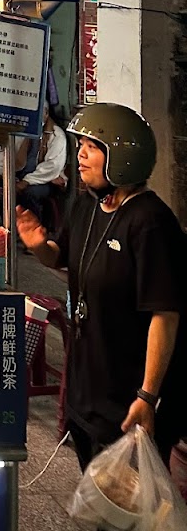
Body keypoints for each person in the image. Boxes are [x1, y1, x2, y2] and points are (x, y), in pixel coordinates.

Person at [16, 103, 187, 470]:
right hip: (87, 394)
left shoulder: (151, 223)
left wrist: (147, 396)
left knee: (129, 503)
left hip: (129, 402)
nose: (80, 155)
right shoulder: (86, 206)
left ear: (122, 156)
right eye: (80, 145)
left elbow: (165, 315)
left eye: (91, 147)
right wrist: (38, 246)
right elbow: (60, 256)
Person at [0, 103, 67, 219]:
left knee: (30, 193)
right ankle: (0, 221)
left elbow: (51, 166)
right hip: (19, 174)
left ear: (46, 114)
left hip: (43, 180)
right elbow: (7, 148)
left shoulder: (57, 135)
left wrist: (25, 182)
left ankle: (30, 226)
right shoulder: (22, 127)